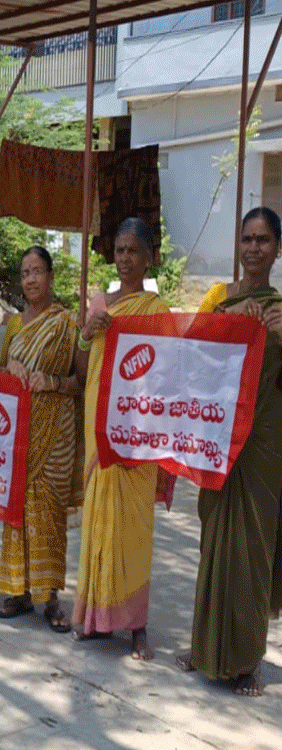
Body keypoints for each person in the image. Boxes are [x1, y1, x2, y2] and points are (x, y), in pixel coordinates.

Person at [177, 207, 282, 695]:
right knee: (213, 541)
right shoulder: (220, 302)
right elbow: (190, 363)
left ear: (277, 249)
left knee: (254, 547)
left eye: (263, 240)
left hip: (264, 442)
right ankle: (204, 648)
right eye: (247, 239)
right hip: (219, 437)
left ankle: (248, 659)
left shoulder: (281, 309)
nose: (253, 248)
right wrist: (226, 324)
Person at [72, 217, 169, 660]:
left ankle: (137, 627)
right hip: (100, 424)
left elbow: (165, 372)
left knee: (134, 528)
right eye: (120, 250)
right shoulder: (99, 304)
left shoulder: (155, 309)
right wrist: (87, 333)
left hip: (137, 429)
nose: (125, 258)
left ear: (148, 257)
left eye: (133, 251)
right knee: (99, 520)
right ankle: (96, 619)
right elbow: (81, 371)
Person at [0, 246, 79, 630]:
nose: (30, 279)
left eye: (37, 271)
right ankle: (19, 591)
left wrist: (53, 382)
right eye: (25, 272)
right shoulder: (14, 325)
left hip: (56, 434)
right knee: (19, 508)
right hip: (19, 432)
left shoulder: (67, 324)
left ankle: (51, 597)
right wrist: (8, 367)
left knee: (48, 514)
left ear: (51, 276)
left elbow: (82, 381)